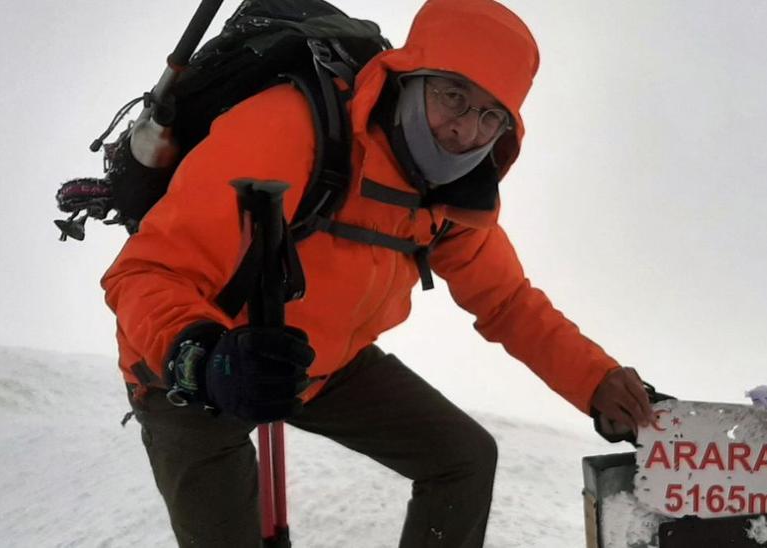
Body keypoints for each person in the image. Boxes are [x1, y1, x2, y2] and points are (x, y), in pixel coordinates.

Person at [102, 0, 655, 546]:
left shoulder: (449, 194)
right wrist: (200, 356)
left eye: (491, 115)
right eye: (453, 96)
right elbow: (147, 272)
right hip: (191, 369)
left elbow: (506, 302)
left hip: (322, 362)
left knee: (462, 459)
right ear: (410, 76)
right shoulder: (291, 128)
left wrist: (597, 381)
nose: (465, 130)